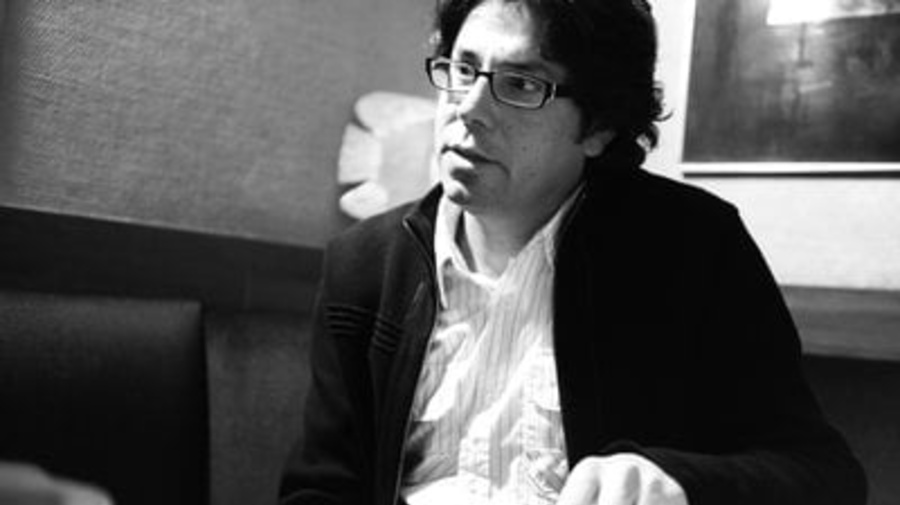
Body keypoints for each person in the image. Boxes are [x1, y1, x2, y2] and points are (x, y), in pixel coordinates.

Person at [280, 0, 867, 503]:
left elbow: (824, 474)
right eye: (462, 69)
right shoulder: (363, 265)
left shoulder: (692, 247)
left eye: (521, 85)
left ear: (599, 127)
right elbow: (321, 489)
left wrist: (676, 480)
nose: (469, 108)